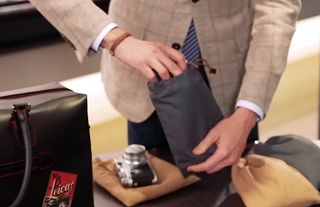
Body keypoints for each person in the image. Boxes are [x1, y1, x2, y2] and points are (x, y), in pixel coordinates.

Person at [29, 0, 301, 174]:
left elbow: (277, 4)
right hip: (142, 76)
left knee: (235, 199)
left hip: (235, 78)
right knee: (154, 200)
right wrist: (114, 39)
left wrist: (249, 108)